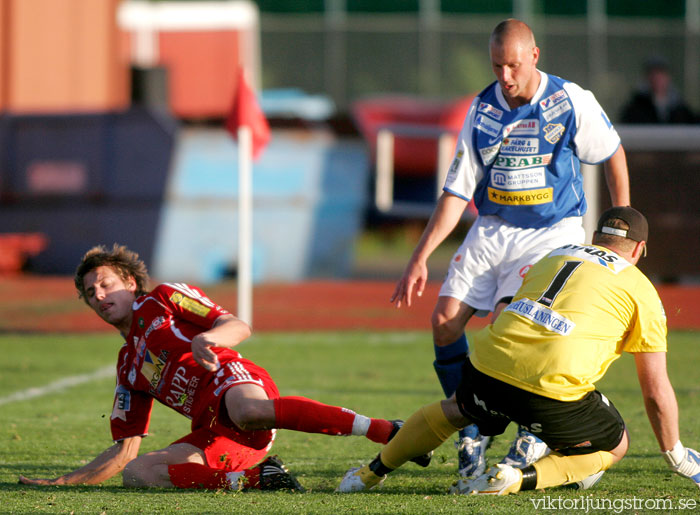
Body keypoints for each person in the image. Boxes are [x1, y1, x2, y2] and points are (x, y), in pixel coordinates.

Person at [389, 18, 630, 478]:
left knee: (508, 327)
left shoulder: (568, 101)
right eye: (497, 65)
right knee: (443, 322)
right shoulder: (482, 109)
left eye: (513, 65)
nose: (505, 76)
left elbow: (613, 154)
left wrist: (620, 228)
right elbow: (456, 192)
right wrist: (418, 257)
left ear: (534, 56)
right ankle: (474, 427)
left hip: (552, 233)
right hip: (493, 230)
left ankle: (532, 435)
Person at [339, 206, 700, 494]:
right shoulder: (642, 289)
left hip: (487, 365)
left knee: (455, 410)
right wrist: (676, 455)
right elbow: (655, 390)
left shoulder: (555, 254)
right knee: (615, 443)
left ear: (594, 237)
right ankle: (515, 478)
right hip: (550, 391)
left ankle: (367, 474)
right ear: (640, 249)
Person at [19, 244, 429, 491]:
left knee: (247, 410)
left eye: (106, 283)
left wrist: (209, 339)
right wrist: (63, 482)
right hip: (219, 432)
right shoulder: (128, 366)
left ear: (129, 281)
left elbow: (238, 325)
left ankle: (386, 430)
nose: (99, 295)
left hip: (235, 385)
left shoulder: (162, 298)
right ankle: (256, 480)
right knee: (141, 474)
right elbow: (126, 450)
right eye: (91, 294)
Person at [620, 56, 697, 124]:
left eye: (661, 75)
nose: (657, 79)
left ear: (668, 77)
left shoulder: (680, 108)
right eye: (653, 75)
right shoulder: (635, 108)